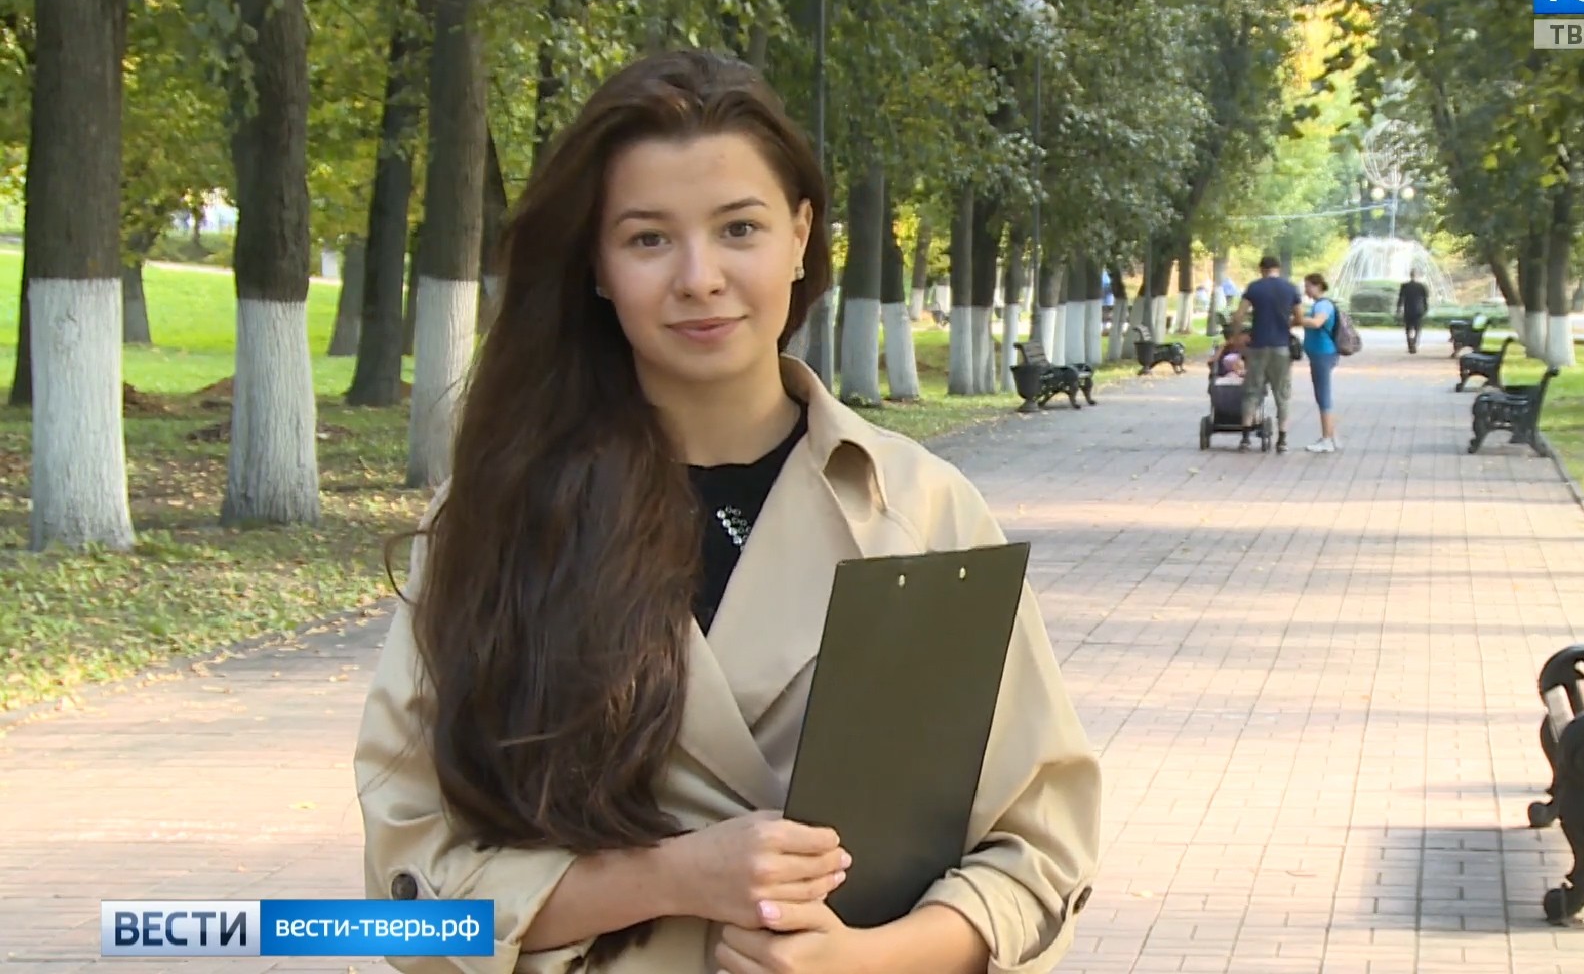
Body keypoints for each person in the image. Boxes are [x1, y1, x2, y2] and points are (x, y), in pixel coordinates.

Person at [353, 51, 1102, 974]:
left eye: (739, 228)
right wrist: (669, 879)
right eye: (648, 239)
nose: (700, 277)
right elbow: (401, 910)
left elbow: (1040, 852)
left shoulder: (922, 509)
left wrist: (864, 960)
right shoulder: (493, 520)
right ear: (596, 264)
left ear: (799, 236)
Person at [1230, 255, 1302, 453]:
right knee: (1282, 393)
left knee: (1252, 390)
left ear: (1261, 269)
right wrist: (1286, 324)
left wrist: (1237, 338)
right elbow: (1300, 317)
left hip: (1258, 346)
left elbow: (1238, 316)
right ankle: (1282, 440)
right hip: (1281, 347)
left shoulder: (1254, 288)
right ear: (1278, 269)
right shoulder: (1290, 288)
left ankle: (1245, 438)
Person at [1300, 272, 1342, 453]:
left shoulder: (1323, 305)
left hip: (1323, 354)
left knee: (1323, 396)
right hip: (1319, 354)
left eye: (1308, 285)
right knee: (1322, 395)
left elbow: (1317, 323)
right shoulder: (1319, 304)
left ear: (1317, 286)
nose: (1306, 289)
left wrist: (1299, 319)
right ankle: (1331, 436)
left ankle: (1327, 439)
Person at [1396, 269, 1429, 354]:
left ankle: (1410, 345)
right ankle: (1414, 343)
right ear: (1416, 275)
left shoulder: (1404, 286)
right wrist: (1425, 309)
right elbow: (1425, 299)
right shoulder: (1422, 286)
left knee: (1408, 329)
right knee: (1417, 329)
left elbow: (1401, 298)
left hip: (1408, 310)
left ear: (1410, 275)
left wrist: (1398, 309)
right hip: (1419, 310)